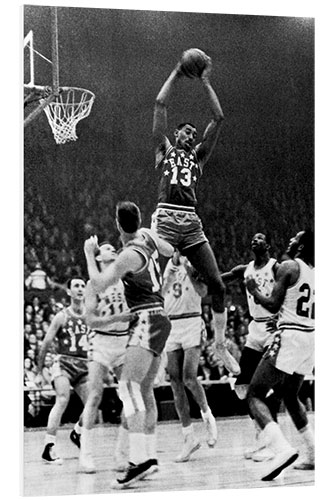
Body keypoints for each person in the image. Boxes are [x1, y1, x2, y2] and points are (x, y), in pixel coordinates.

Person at [151, 52, 239, 376]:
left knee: (218, 285)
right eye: (185, 131)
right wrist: (176, 71)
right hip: (165, 218)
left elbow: (218, 118)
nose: (189, 134)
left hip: (190, 221)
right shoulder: (165, 151)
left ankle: (219, 344)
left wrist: (205, 82)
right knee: (150, 284)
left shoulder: (199, 157)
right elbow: (160, 105)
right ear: (176, 136)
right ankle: (152, 348)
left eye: (192, 132)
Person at [84, 201, 174, 488]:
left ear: (117, 223)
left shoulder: (127, 255)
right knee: (145, 389)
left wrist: (89, 254)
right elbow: (170, 251)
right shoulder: (146, 236)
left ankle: (137, 461)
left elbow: (98, 283)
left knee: (128, 386)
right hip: (161, 316)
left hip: (145, 317)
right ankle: (149, 458)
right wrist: (155, 235)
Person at [245, 230, 315, 481]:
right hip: (311, 338)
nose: (290, 239)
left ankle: (281, 449)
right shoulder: (315, 272)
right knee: (290, 394)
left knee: (254, 394)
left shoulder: (289, 266)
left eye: (295, 238)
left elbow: (273, 304)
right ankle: (313, 451)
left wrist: (254, 290)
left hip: (291, 336)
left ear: (302, 245)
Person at [221, 233, 281, 462]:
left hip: (274, 329)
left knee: (265, 388)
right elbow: (218, 280)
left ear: (267, 245)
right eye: (253, 238)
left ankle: (271, 444)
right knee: (242, 386)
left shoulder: (277, 268)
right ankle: (262, 436)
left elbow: (288, 293)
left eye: (260, 238)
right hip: (255, 330)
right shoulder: (243, 270)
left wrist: (283, 316)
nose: (255, 240)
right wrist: (197, 272)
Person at [79, 241, 134, 473]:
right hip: (100, 342)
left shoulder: (126, 280)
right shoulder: (93, 284)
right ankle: (86, 454)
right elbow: (90, 320)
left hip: (123, 342)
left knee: (130, 399)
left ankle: (121, 454)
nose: (111, 249)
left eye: (114, 247)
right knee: (94, 396)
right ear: (98, 258)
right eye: (106, 248)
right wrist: (116, 318)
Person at [162, 250, 217, 462]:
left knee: (189, 377)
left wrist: (188, 268)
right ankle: (188, 437)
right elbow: (163, 292)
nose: (178, 251)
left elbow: (203, 291)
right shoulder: (167, 266)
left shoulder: (197, 265)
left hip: (192, 321)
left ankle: (208, 417)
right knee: (174, 380)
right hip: (171, 324)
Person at [37, 276, 90, 465]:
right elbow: (45, 344)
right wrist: (38, 370)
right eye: (76, 286)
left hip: (84, 364)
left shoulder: (91, 314)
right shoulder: (62, 316)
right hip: (64, 362)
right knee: (62, 398)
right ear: (69, 291)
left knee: (92, 403)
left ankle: (77, 431)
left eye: (83, 285)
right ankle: (48, 446)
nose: (80, 288)